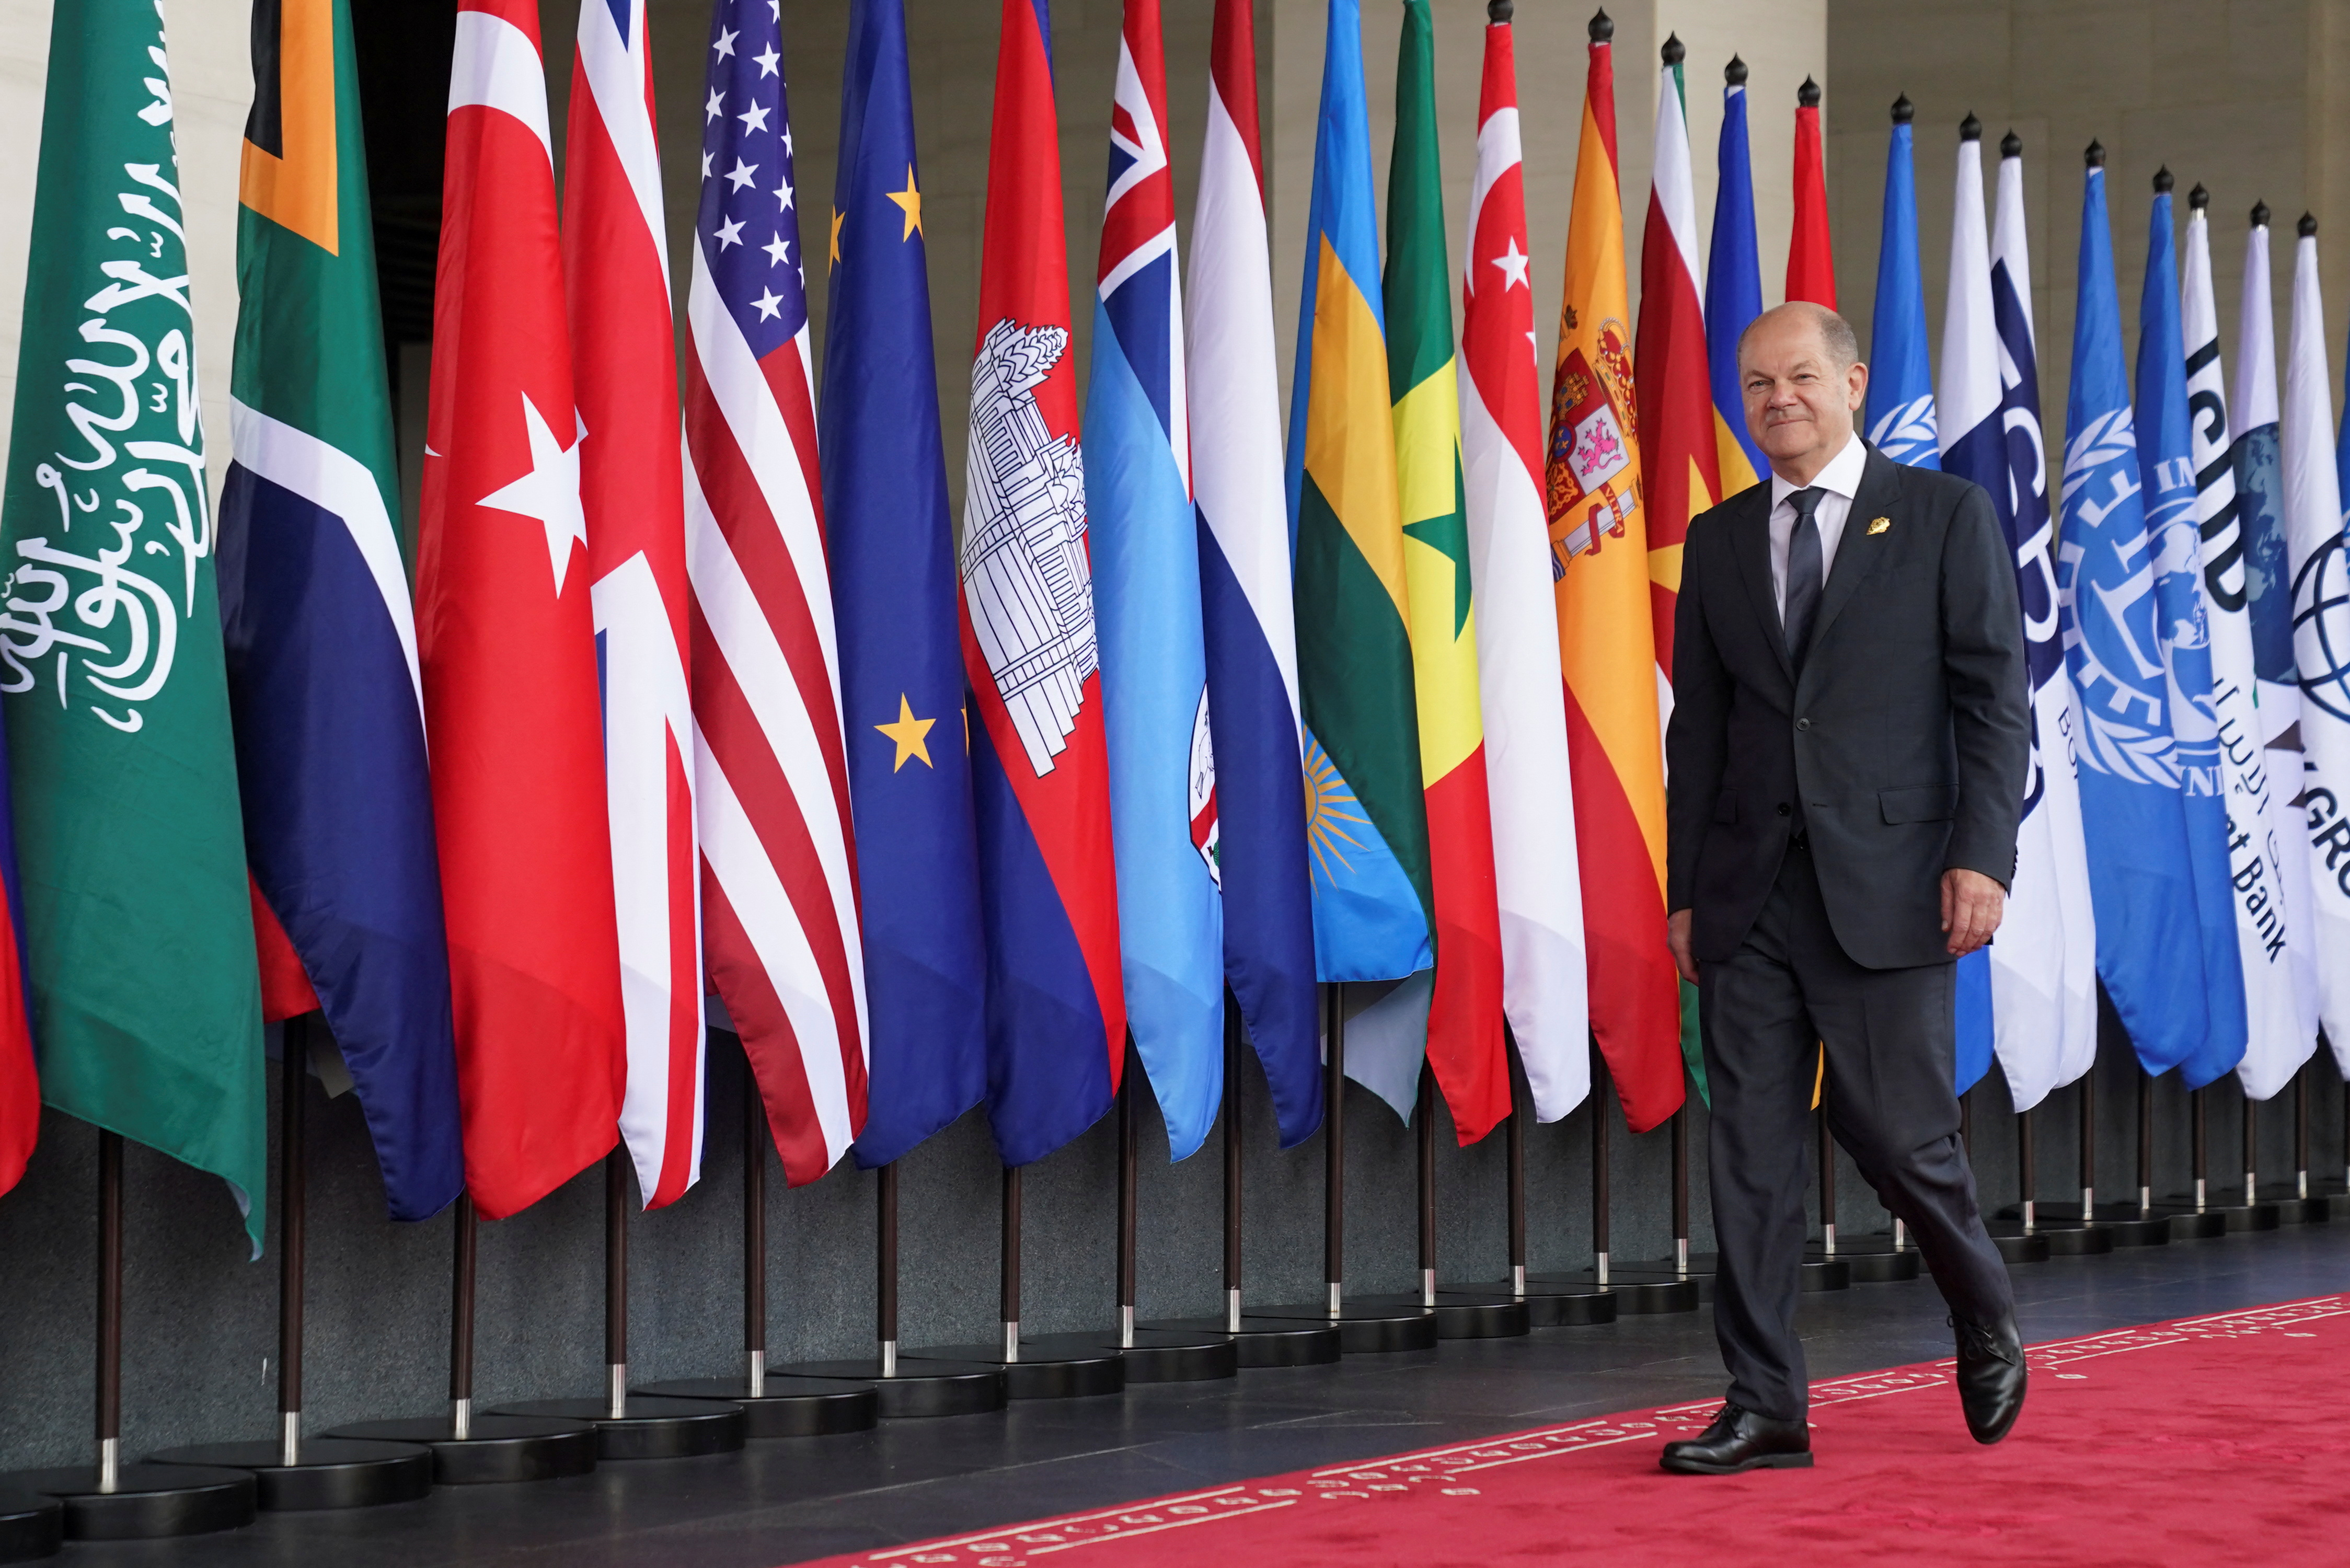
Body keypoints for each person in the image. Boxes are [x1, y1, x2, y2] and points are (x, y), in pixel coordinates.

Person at [1658, 302, 2030, 1475]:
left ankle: (1981, 1310)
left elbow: (1992, 700)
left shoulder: (1941, 517)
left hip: (1893, 886)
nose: (1779, 400)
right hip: (1748, 895)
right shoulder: (1717, 543)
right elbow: (1700, 737)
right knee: (1750, 1155)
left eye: (1802, 377)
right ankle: (1765, 1401)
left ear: (1853, 382)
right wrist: (1684, 894)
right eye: (1758, 384)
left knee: (1900, 1138)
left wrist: (1983, 856)